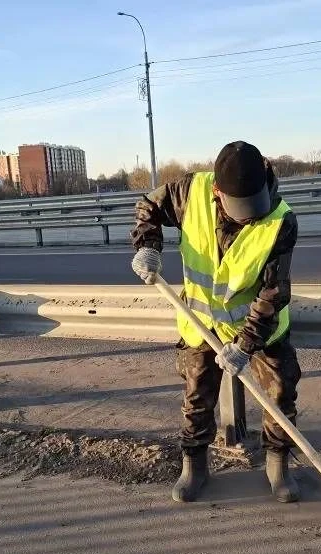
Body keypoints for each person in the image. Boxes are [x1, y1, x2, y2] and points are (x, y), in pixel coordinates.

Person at [130, 140, 302, 504]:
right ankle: (194, 467)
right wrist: (148, 246)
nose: (248, 217)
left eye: (254, 206)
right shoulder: (189, 193)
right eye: (239, 208)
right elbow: (147, 206)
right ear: (217, 191)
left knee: (280, 392)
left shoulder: (280, 220)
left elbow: (272, 293)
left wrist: (243, 345)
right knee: (196, 397)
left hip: (259, 327)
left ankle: (278, 465)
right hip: (200, 324)